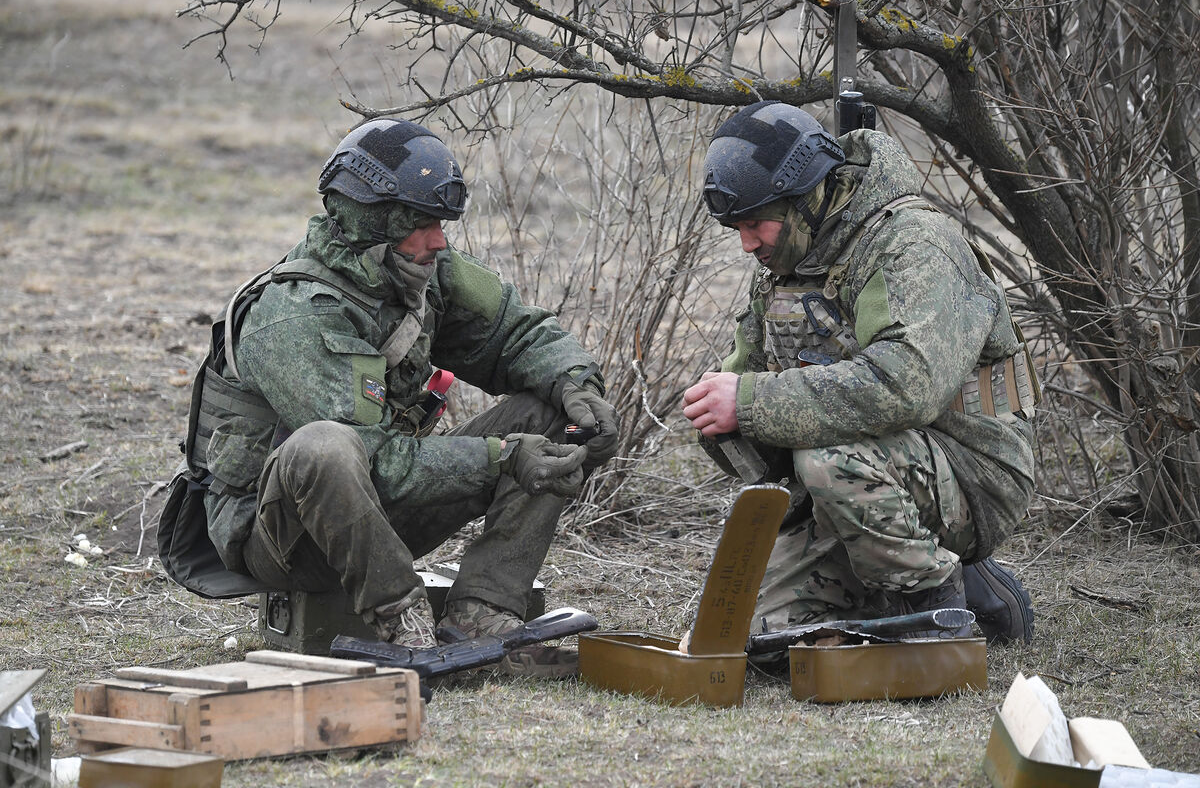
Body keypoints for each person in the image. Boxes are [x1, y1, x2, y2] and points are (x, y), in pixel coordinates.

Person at [186, 118, 619, 676]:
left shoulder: (421, 270)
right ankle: (404, 627)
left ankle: (484, 614)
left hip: (381, 511)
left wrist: (577, 385)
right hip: (285, 540)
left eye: (440, 224)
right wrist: (506, 456)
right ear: (375, 224)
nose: (439, 240)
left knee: (551, 408)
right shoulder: (292, 314)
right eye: (421, 224)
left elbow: (516, 331)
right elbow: (374, 458)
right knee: (324, 446)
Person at [682, 100, 1036, 647]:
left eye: (755, 224)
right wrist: (723, 420)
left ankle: (937, 606)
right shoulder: (786, 262)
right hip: (855, 481)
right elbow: (753, 383)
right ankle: (931, 587)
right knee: (757, 638)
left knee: (827, 457)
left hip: (974, 471)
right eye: (737, 228)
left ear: (805, 199)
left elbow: (907, 385)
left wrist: (752, 403)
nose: (747, 244)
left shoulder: (915, 244)